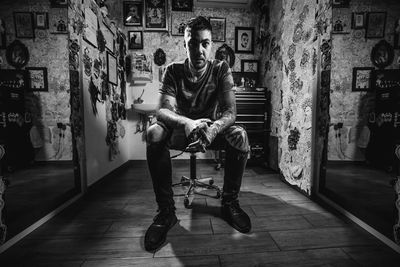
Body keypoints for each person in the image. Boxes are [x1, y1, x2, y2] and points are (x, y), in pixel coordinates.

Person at [144, 16, 251, 252]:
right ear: (185, 44)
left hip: (212, 130)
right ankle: (166, 212)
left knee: (240, 136)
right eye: (193, 43)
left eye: (205, 43)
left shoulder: (221, 69)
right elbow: (162, 110)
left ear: (211, 44)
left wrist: (211, 130)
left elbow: (230, 112)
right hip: (182, 130)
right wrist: (188, 122)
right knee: (153, 133)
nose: (199, 50)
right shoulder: (173, 71)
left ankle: (229, 203)